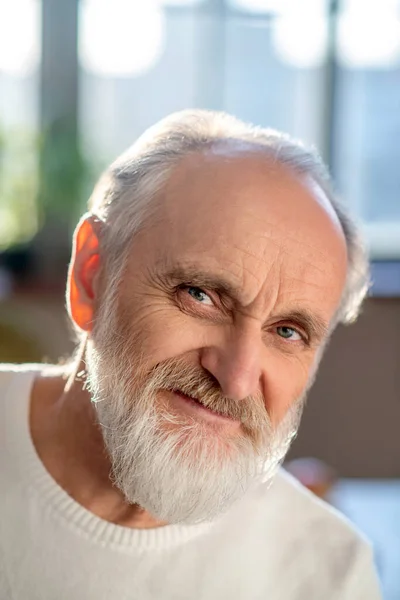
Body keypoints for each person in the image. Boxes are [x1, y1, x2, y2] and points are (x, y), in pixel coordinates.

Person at [0, 110, 381, 599]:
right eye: (200, 295)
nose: (238, 378)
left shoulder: (328, 575)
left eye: (287, 331)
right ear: (91, 276)